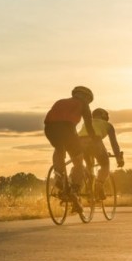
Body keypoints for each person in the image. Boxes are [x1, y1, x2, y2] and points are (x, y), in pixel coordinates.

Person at [44, 86, 97, 214]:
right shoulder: (83, 104)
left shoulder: (60, 101)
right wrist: (95, 139)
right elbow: (89, 125)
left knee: (59, 148)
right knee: (78, 161)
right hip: (68, 129)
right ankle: (75, 189)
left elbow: (50, 117)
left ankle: (59, 175)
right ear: (86, 97)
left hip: (49, 128)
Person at [79, 108, 125, 200]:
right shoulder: (108, 125)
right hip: (95, 141)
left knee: (89, 166)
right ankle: (98, 187)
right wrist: (118, 158)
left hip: (80, 142)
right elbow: (114, 143)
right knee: (105, 165)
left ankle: (88, 191)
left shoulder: (86, 123)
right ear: (104, 116)